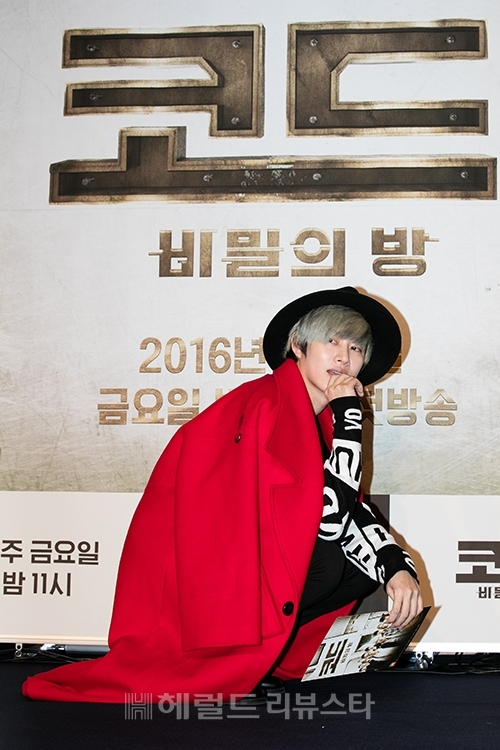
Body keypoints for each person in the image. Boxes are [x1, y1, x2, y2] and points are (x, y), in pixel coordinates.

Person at [22, 287, 422, 704]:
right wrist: (349, 417)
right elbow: (331, 520)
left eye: (355, 347)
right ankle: (244, 658)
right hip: (210, 578)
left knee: (361, 565)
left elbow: (349, 508)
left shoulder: (314, 420)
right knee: (332, 557)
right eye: (332, 341)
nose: (343, 357)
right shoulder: (267, 405)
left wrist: (395, 567)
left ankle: (268, 659)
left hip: (249, 569)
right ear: (298, 346)